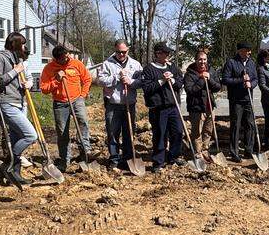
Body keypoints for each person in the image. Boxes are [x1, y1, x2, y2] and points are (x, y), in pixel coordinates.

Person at [39, 45, 93, 172]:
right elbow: (44, 89)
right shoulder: (49, 68)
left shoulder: (76, 63)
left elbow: (87, 79)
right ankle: (65, 160)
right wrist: (56, 80)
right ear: (57, 59)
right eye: (64, 58)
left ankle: (85, 152)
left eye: (68, 55)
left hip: (76, 100)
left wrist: (83, 95)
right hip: (60, 103)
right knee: (62, 132)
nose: (67, 59)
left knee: (83, 123)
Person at [0, 32, 37, 176]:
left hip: (20, 102)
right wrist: (15, 71)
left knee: (17, 137)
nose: (24, 47)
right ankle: (9, 162)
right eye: (22, 44)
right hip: (7, 102)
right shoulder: (0, 58)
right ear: (14, 44)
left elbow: (28, 78)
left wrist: (29, 83)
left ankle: (14, 173)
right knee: (30, 135)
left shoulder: (18, 59)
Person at [136, 43, 185, 171]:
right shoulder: (148, 69)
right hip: (158, 108)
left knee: (178, 131)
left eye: (168, 53)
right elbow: (146, 88)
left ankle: (174, 156)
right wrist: (161, 81)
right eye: (165, 53)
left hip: (173, 106)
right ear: (158, 54)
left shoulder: (172, 67)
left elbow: (180, 82)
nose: (168, 55)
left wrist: (173, 80)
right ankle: (158, 161)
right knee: (160, 135)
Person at [96, 40, 142, 171]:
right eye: (118, 52)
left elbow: (141, 81)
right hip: (113, 104)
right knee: (113, 132)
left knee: (129, 132)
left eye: (124, 52)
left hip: (130, 103)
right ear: (115, 50)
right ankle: (114, 158)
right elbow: (100, 81)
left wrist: (130, 81)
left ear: (128, 50)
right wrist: (116, 77)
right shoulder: (107, 64)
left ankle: (128, 158)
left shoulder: (135, 64)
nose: (121, 54)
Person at [221, 42, 259, 162]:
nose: (249, 52)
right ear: (240, 51)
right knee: (236, 126)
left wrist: (251, 84)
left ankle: (249, 150)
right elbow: (225, 80)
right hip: (236, 100)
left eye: (249, 50)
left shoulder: (251, 63)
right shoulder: (231, 62)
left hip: (248, 99)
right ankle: (234, 152)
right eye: (247, 50)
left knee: (250, 124)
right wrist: (240, 80)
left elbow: (255, 79)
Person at [183, 51, 221, 154]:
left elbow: (218, 87)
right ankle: (198, 152)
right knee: (197, 132)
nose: (202, 62)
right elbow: (190, 90)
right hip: (196, 107)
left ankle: (205, 149)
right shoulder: (189, 74)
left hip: (209, 106)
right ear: (195, 60)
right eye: (200, 59)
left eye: (204, 59)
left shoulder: (211, 71)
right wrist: (201, 80)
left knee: (208, 131)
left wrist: (209, 79)